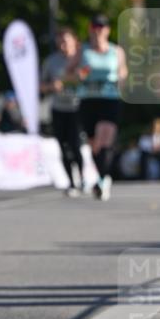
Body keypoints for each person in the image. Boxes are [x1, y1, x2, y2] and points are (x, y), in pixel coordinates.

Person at [79, 12, 127, 201]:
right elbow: (73, 72)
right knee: (94, 144)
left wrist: (122, 82)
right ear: (91, 30)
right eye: (95, 27)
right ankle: (101, 177)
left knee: (105, 135)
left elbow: (123, 72)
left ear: (107, 30)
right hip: (88, 100)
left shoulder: (116, 51)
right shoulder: (83, 51)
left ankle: (104, 179)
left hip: (110, 99)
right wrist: (80, 74)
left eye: (102, 27)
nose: (98, 31)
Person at [41, 28, 87, 196]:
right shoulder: (51, 62)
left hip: (77, 107)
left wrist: (74, 78)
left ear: (74, 41)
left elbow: (87, 75)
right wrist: (51, 87)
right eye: (59, 42)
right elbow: (41, 85)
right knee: (63, 145)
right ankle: (71, 182)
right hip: (58, 108)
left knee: (75, 145)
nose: (62, 45)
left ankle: (82, 178)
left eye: (66, 41)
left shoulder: (82, 59)